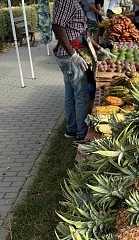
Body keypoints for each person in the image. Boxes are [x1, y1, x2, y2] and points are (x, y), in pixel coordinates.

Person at [52, 0, 90, 142]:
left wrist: (98, 48)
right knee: (81, 95)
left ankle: (72, 129)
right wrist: (73, 55)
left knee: (70, 93)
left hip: (70, 53)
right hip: (69, 55)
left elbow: (77, 29)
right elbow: (57, 26)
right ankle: (81, 133)